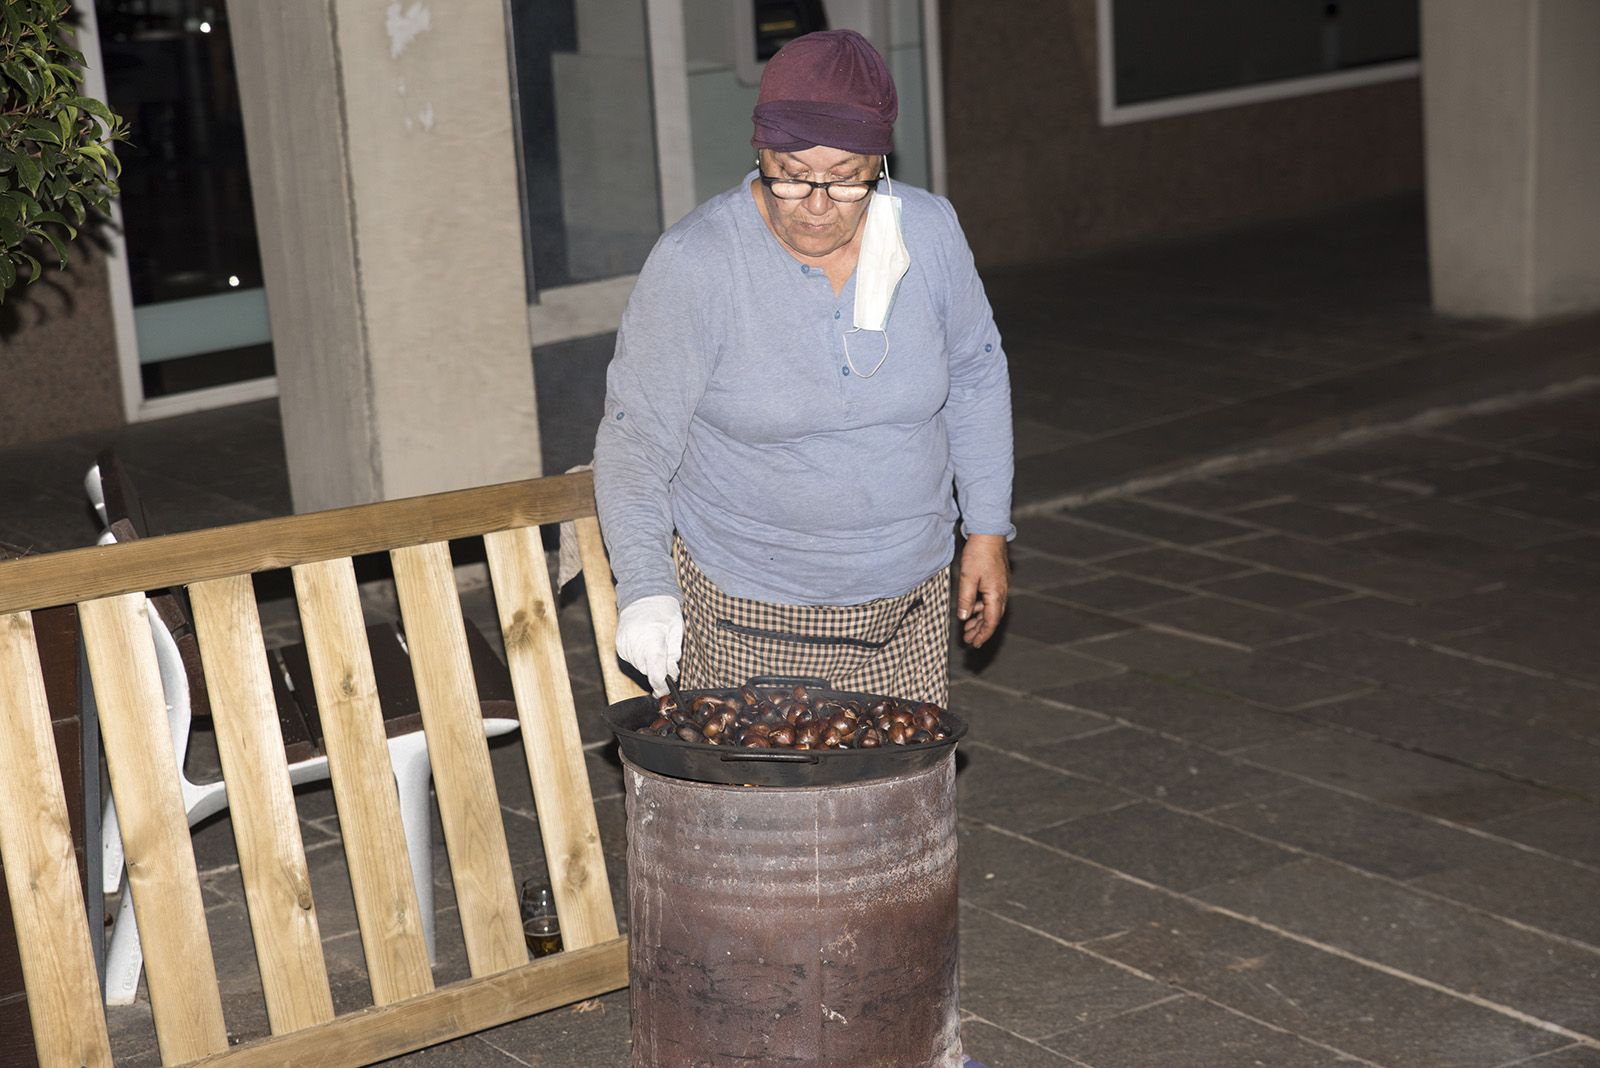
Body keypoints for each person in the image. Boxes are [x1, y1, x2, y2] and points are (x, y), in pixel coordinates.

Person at [593, 29, 1012, 707]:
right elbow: (635, 440)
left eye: (846, 180)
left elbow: (976, 376)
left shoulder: (928, 232)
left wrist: (987, 531)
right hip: (751, 609)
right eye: (790, 174)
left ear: (880, 161)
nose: (817, 206)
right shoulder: (698, 263)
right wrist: (645, 589)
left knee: (888, 811)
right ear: (759, 150)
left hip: (910, 600)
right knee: (767, 812)